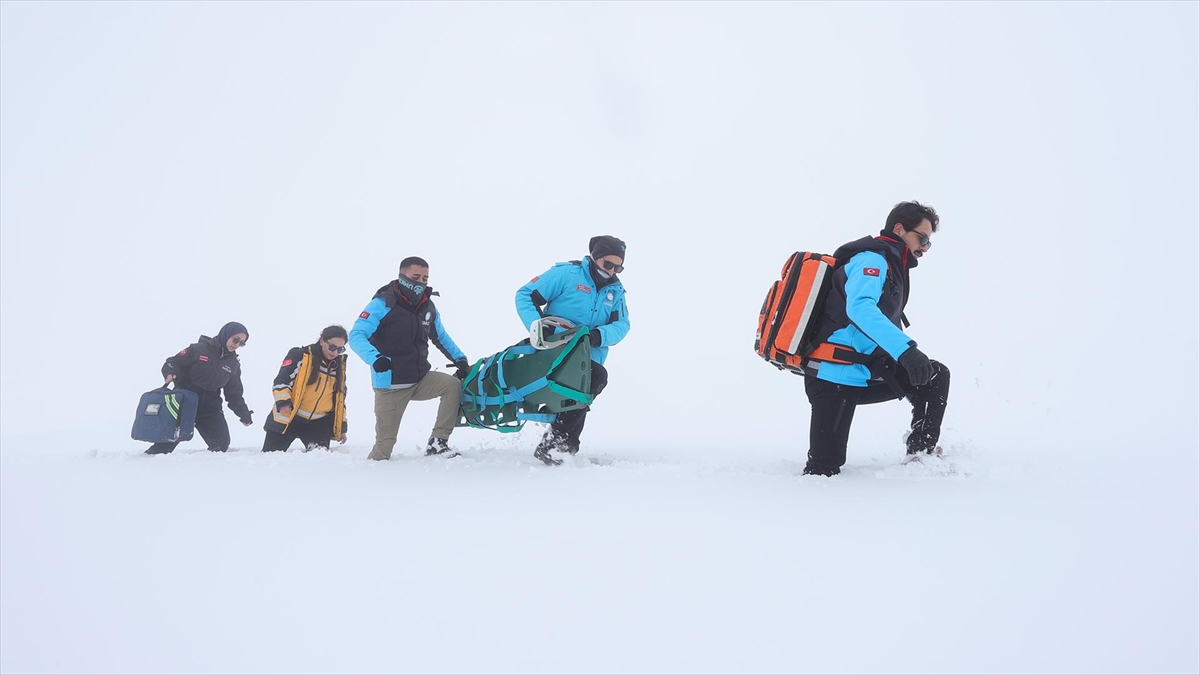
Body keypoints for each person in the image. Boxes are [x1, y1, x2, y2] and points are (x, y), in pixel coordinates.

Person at [802, 201, 950, 476]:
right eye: (923, 238)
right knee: (824, 467)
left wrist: (903, 358)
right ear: (899, 229)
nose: (925, 247)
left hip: (866, 371)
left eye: (930, 242)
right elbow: (860, 308)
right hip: (833, 377)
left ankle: (921, 456)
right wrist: (906, 351)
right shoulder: (871, 260)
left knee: (934, 375)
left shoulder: (893, 266)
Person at [515, 235, 631, 466]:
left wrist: (600, 335)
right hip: (555, 349)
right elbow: (525, 295)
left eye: (618, 267)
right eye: (608, 264)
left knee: (583, 392)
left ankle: (562, 448)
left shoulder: (615, 291)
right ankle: (556, 444)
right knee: (596, 378)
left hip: (587, 355)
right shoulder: (567, 275)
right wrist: (538, 327)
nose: (612, 271)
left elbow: (622, 324)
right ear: (595, 258)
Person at [350, 257, 470, 460]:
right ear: (402, 276)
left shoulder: (428, 306)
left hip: (420, 378)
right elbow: (356, 335)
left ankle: (438, 442)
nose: (421, 282)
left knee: (452, 385)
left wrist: (460, 359)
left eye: (425, 278)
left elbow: (440, 336)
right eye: (416, 277)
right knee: (383, 450)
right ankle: (371, 480)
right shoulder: (382, 303)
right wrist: (375, 358)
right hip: (391, 384)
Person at [145, 322, 254, 455]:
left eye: (241, 343)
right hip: (184, 405)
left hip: (210, 410)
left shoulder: (233, 365)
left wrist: (244, 414)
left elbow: (234, 394)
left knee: (221, 445)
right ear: (226, 334)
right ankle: (144, 467)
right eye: (235, 339)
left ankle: (203, 472)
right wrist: (170, 372)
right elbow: (173, 362)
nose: (236, 344)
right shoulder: (198, 349)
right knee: (163, 447)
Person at [262, 325, 350, 453]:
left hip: (318, 423)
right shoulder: (301, 356)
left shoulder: (339, 368)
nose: (335, 352)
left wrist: (341, 427)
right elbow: (281, 381)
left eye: (340, 349)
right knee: (270, 457)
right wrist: (284, 402)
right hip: (290, 417)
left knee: (318, 460)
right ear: (322, 341)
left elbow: (339, 399)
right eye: (332, 347)